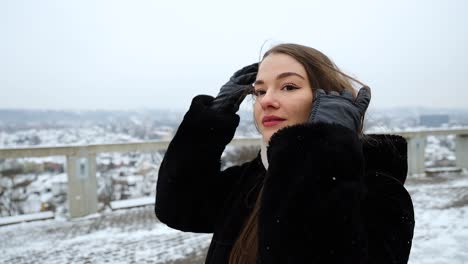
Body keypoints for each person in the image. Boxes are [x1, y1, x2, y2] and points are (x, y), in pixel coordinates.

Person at [155, 43, 415, 263]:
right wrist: (211, 120)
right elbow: (178, 206)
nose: (266, 100)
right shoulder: (252, 179)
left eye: (289, 87)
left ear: (330, 99)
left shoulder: (380, 194)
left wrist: (322, 142)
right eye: (259, 90)